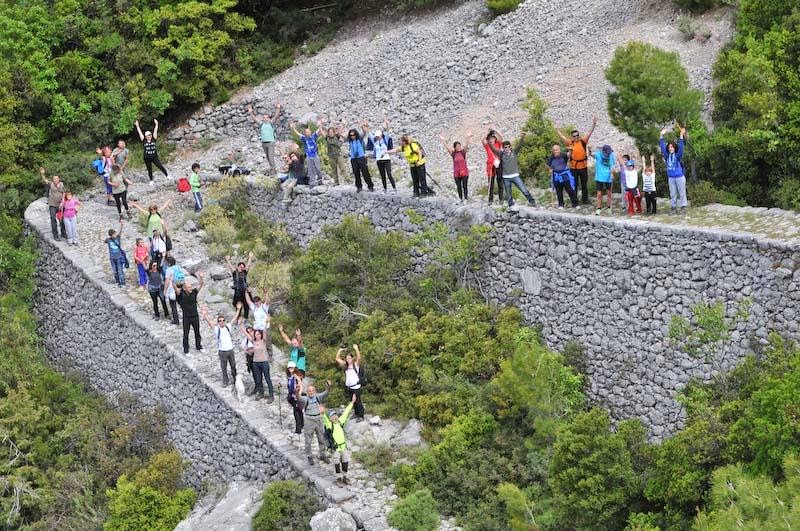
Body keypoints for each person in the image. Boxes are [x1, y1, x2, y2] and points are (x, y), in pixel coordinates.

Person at [483, 132, 536, 207]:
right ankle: (511, 205)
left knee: (523, 189)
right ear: (503, 148)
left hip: (515, 176)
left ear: (510, 147)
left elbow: (520, 145)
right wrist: (489, 141)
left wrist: (522, 137)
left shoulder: (514, 152)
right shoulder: (501, 154)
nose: (507, 148)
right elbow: (492, 148)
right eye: (505, 147)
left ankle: (532, 201)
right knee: (508, 193)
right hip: (506, 177)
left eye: (508, 147)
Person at [555, 117, 597, 204]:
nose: (576, 137)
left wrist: (593, 124)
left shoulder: (583, 141)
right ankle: (575, 200)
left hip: (583, 166)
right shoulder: (569, 142)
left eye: (577, 135)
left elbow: (590, 133)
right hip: (573, 167)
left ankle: (585, 200)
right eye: (574, 136)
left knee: (584, 184)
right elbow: (562, 137)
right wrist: (557, 130)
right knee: (574, 184)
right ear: (572, 137)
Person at [322, 394, 358, 485]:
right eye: (332, 416)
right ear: (330, 418)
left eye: (335, 415)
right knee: (337, 464)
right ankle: (338, 479)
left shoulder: (340, 422)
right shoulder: (330, 425)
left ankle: (345, 477)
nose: (334, 417)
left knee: (345, 462)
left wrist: (352, 402)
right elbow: (325, 419)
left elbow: (346, 412)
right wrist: (322, 413)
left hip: (344, 447)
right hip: (336, 449)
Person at [202, 305, 241, 388]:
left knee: (233, 365)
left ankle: (235, 379)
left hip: (230, 350)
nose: (222, 321)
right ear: (218, 322)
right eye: (220, 321)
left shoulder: (228, 327)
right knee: (224, 367)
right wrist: (205, 315)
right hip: (222, 351)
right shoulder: (217, 329)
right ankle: (225, 381)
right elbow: (210, 323)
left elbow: (234, 318)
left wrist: (238, 309)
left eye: (223, 320)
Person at [239, 317, 275, 402]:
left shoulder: (263, 341)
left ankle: (271, 395)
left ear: (261, 335)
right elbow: (245, 333)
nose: (257, 335)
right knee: (258, 380)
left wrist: (267, 322)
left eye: (259, 334)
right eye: (256, 334)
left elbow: (265, 331)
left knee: (267, 378)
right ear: (254, 335)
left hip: (264, 362)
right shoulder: (253, 341)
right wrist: (240, 324)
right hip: (255, 363)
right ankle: (261, 393)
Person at [298, 380, 332, 465]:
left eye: (313, 390)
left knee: (321, 438)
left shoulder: (318, 397)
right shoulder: (305, 399)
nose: (311, 392)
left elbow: (326, 393)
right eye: (309, 391)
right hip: (309, 420)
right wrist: (297, 390)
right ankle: (309, 456)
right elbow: (298, 397)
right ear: (307, 392)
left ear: (315, 391)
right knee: (308, 440)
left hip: (318, 419)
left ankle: (322, 454)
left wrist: (328, 386)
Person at [660, 125, 688, 214]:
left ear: (674, 148)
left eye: (672, 147)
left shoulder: (677, 155)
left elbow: (681, 148)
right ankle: (673, 208)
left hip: (679, 177)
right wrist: (661, 135)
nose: (670, 148)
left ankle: (683, 207)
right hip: (671, 177)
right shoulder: (667, 156)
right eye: (669, 147)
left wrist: (681, 136)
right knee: (673, 194)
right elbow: (662, 146)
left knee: (682, 193)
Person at [247, 100, 282, 173]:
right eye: (264, 117)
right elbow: (255, 119)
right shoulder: (261, 124)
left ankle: (273, 170)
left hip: (270, 142)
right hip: (264, 143)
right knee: (268, 157)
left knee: (271, 157)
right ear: (263, 118)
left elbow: (276, 116)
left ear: (268, 118)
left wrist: (278, 108)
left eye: (266, 117)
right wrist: (250, 112)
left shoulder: (271, 123)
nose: (265, 118)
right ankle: (272, 169)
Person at [176, 272, 205, 354]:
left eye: (191, 287)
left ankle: (199, 346)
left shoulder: (194, 293)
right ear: (184, 288)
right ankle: (186, 350)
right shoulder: (181, 295)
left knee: (197, 332)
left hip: (195, 316)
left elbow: (201, 285)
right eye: (189, 287)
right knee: (186, 334)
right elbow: (176, 290)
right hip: (186, 317)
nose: (190, 288)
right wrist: (172, 282)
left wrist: (201, 277)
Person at [335, 345, 365, 421]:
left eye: (349, 358)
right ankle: (356, 414)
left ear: (352, 358)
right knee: (353, 401)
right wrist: (340, 350)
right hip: (350, 387)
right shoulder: (345, 365)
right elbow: (337, 358)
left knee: (358, 401)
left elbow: (359, 358)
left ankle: (361, 416)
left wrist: (356, 349)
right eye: (347, 358)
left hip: (356, 387)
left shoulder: (355, 365)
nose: (348, 360)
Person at [291, 119, 325, 186]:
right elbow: (298, 134)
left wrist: (321, 123)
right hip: (308, 156)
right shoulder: (304, 138)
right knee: (310, 169)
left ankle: (320, 179)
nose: (307, 133)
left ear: (310, 132)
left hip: (315, 155)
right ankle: (312, 182)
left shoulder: (313, 136)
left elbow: (319, 130)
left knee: (318, 168)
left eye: (308, 132)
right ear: (305, 133)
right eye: (306, 132)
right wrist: (293, 128)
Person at [135, 118, 169, 185]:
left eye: (150, 135)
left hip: (154, 157)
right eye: (147, 135)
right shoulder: (143, 140)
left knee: (160, 166)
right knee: (149, 169)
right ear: (145, 136)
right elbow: (140, 133)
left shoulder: (154, 139)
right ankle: (151, 180)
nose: (149, 136)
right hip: (146, 157)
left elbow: (155, 131)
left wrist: (156, 124)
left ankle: (167, 175)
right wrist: (137, 126)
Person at [440, 132, 472, 202]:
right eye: (457, 146)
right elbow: (447, 148)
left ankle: (466, 198)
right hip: (457, 173)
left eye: (459, 146)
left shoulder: (463, 153)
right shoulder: (453, 154)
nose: (458, 147)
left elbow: (466, 145)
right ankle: (460, 198)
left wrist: (468, 137)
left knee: (465, 186)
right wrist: (443, 141)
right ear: (455, 147)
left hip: (464, 172)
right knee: (459, 187)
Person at [365, 120, 396, 194]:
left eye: (378, 136)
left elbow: (388, 131)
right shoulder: (375, 142)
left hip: (386, 159)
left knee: (389, 174)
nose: (377, 137)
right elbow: (369, 133)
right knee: (382, 175)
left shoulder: (385, 140)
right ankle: (385, 189)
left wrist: (387, 124)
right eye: (376, 136)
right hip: (379, 160)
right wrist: (366, 126)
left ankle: (394, 189)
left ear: (381, 135)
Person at [545, 144, 579, 209]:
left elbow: (568, 155)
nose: (555, 151)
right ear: (552, 151)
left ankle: (575, 204)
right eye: (554, 150)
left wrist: (570, 150)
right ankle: (561, 205)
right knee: (559, 191)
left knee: (570, 190)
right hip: (556, 176)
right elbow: (548, 164)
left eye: (557, 150)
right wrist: (550, 169)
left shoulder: (563, 154)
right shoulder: (551, 157)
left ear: (559, 150)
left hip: (565, 175)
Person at [40, 167, 67, 241]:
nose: (55, 180)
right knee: (53, 219)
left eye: (56, 179)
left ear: (59, 179)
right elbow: (45, 180)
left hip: (60, 205)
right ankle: (55, 235)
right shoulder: (50, 184)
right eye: (54, 179)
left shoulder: (62, 184)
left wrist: (63, 202)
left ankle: (63, 233)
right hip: (52, 204)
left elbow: (64, 193)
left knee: (62, 219)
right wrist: (42, 174)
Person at [225, 253, 253, 320]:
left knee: (246, 306)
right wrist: (228, 260)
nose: (242, 268)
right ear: (237, 267)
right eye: (240, 266)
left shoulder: (244, 273)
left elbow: (248, 265)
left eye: (243, 267)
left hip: (245, 293)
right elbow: (231, 267)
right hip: (238, 293)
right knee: (238, 306)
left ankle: (246, 318)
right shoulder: (235, 273)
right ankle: (238, 318)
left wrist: (250, 258)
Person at [345, 128, 374, 192]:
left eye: (353, 135)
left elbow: (364, 132)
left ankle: (370, 186)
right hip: (353, 159)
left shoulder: (359, 139)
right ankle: (359, 187)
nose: (352, 136)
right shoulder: (350, 141)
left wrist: (362, 126)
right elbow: (342, 137)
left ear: (356, 134)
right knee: (356, 173)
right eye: (351, 135)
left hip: (361, 158)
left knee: (365, 173)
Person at [594, 145, 616, 215]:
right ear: (603, 151)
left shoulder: (611, 155)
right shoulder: (598, 154)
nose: (608, 154)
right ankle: (598, 208)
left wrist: (612, 174)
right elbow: (590, 154)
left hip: (608, 177)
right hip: (599, 177)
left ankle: (609, 208)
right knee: (599, 194)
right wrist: (589, 150)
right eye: (607, 152)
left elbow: (612, 166)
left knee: (609, 193)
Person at [103, 221, 126, 287]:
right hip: (112, 258)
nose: (115, 235)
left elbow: (120, 232)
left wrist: (121, 225)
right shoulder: (108, 240)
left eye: (115, 234)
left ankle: (122, 283)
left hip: (118, 257)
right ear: (111, 235)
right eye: (114, 234)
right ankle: (117, 280)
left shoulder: (118, 238)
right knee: (115, 271)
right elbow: (104, 241)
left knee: (120, 271)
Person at [163, 255, 184, 325]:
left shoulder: (169, 270)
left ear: (168, 263)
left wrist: (165, 291)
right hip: (180, 286)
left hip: (172, 288)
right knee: (181, 303)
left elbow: (167, 281)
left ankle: (176, 320)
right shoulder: (178, 267)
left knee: (173, 305)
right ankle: (185, 317)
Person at [484, 129, 504, 204]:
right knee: (491, 183)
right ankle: (490, 200)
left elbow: (501, 137)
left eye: (493, 138)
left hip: (498, 164)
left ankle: (501, 199)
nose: (492, 139)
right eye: (490, 138)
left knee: (500, 181)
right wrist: (487, 133)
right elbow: (483, 140)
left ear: (495, 139)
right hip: (490, 165)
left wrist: (496, 131)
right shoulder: (487, 146)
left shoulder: (498, 144)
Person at [287, 361, 304, 435]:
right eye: (289, 368)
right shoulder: (290, 376)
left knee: (296, 412)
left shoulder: (296, 376)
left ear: (294, 368)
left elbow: (301, 387)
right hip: (292, 396)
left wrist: (298, 396)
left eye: (292, 368)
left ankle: (298, 429)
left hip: (296, 396)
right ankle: (302, 424)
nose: (290, 369)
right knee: (299, 411)